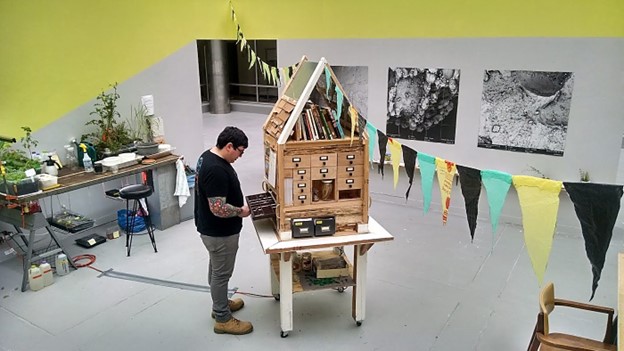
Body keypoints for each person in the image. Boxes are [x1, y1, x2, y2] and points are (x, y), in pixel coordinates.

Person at [194, 126, 252, 335]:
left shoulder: (207, 156)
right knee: (221, 274)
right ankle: (222, 318)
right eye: (240, 151)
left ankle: (220, 303)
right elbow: (217, 208)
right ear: (229, 146)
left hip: (210, 229)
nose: (240, 156)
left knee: (216, 269)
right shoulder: (216, 169)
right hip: (219, 232)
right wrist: (241, 211)